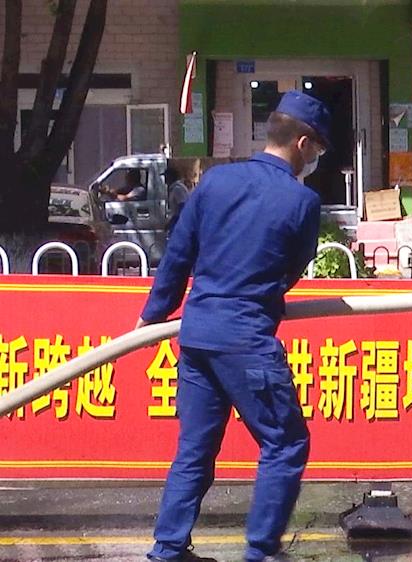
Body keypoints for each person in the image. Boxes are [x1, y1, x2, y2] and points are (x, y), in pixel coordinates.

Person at [137, 90, 329, 562]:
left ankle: (168, 548)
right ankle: (261, 551)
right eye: (318, 150)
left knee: (195, 449)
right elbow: (291, 269)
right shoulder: (302, 201)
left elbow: (178, 254)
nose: (315, 159)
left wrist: (152, 315)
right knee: (286, 443)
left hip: (197, 335)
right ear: (303, 143)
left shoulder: (216, 181)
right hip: (246, 339)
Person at [165, 168, 191, 234]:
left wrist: (173, 221)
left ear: (171, 177)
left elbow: (182, 206)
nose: (165, 179)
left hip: (179, 222)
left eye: (166, 176)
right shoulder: (174, 188)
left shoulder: (178, 189)